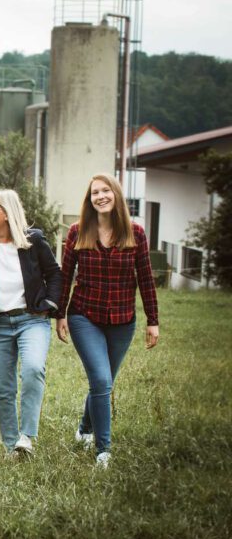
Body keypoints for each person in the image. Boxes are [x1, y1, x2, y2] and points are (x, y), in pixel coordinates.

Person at [56, 173, 159, 469]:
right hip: (84, 316)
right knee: (101, 380)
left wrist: (153, 320)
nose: (100, 196)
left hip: (123, 320)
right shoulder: (77, 232)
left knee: (104, 382)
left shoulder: (135, 234)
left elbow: (146, 280)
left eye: (105, 191)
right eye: (94, 193)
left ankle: (84, 428)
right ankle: (103, 450)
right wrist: (60, 313)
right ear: (89, 200)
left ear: (116, 195)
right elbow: (65, 276)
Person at [0, 189, 61, 457]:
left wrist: (50, 305)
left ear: (7, 212)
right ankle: (10, 446)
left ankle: (26, 436)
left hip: (32, 320)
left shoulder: (33, 241)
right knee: (3, 389)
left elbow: (55, 274)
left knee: (32, 369)